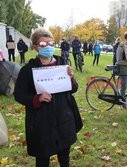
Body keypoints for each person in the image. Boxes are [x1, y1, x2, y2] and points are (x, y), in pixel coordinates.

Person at [13, 28, 81, 167]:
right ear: (35, 47)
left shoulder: (62, 62)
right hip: (41, 121)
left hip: (63, 118)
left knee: (64, 154)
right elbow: (19, 95)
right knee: (43, 157)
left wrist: (71, 79)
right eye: (43, 45)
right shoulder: (27, 70)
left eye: (51, 43)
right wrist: (36, 99)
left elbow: (73, 89)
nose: (48, 47)